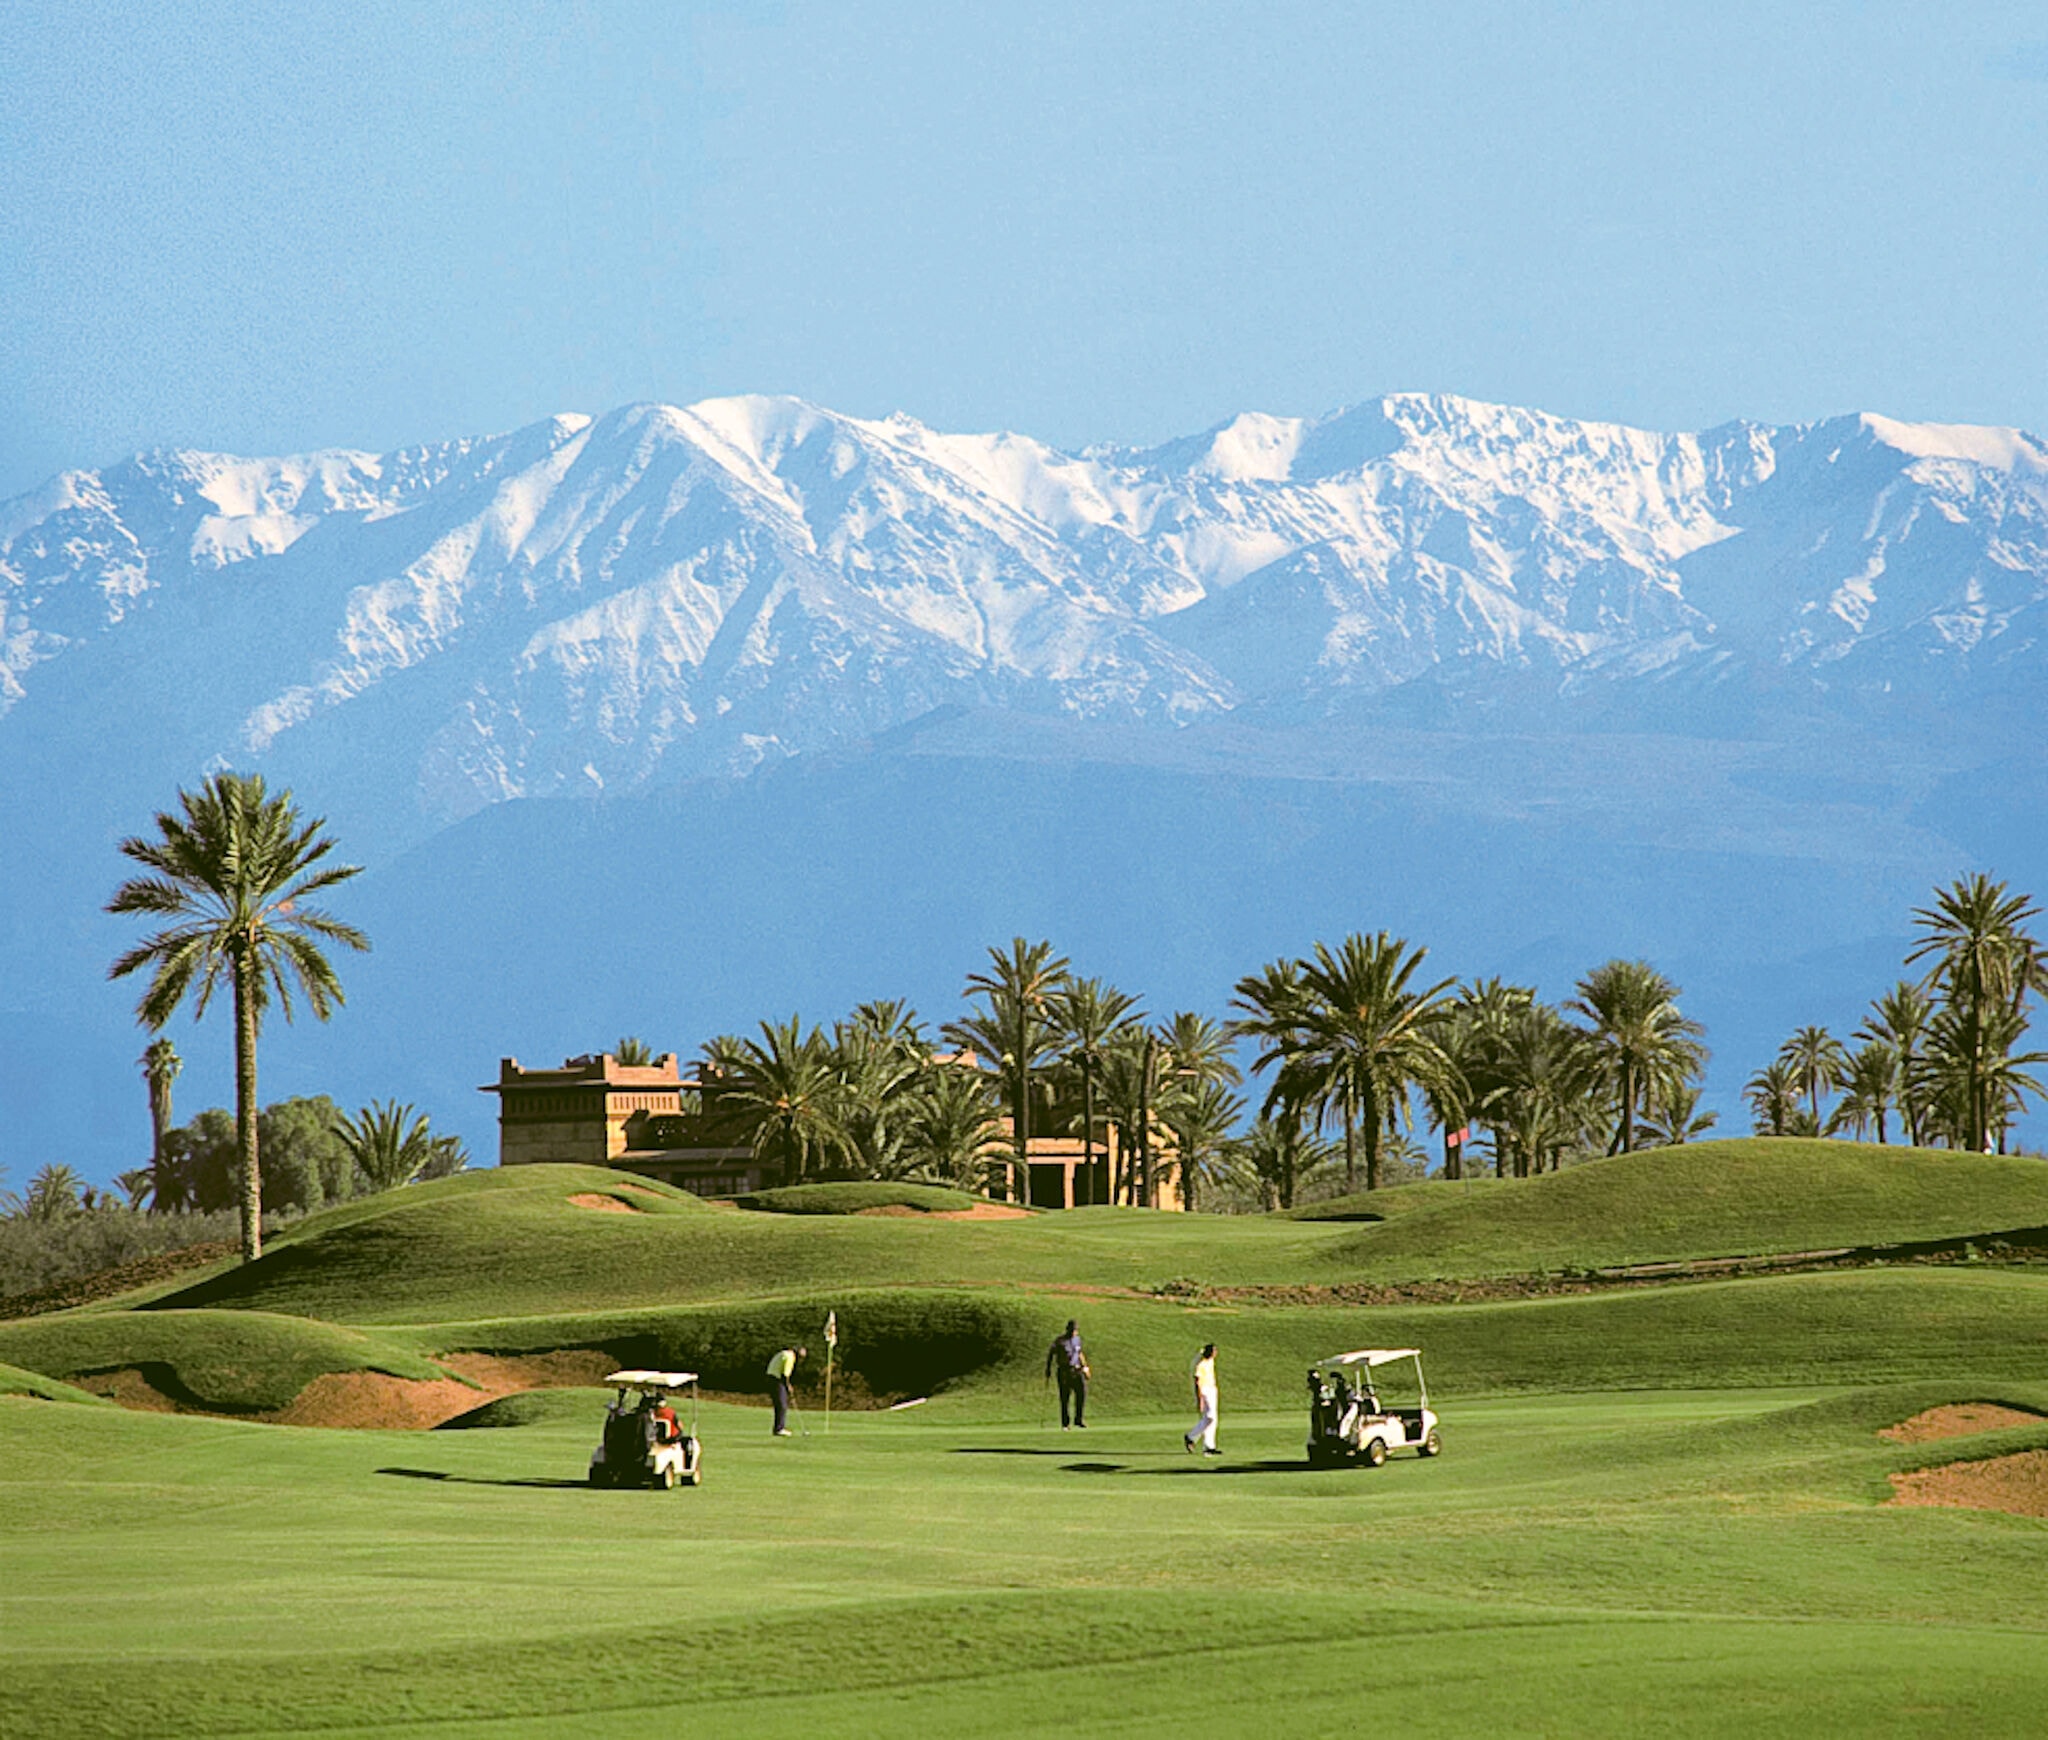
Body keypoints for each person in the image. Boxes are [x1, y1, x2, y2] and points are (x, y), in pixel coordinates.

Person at [1045, 1319, 1089, 1429]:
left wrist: (1085, 1367)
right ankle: (1065, 1423)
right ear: (1067, 1330)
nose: (1074, 1332)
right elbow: (1051, 1354)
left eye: (1075, 1330)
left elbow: (1079, 1353)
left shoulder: (1077, 1340)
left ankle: (1078, 1419)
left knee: (1082, 1394)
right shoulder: (1059, 1341)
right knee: (1065, 1398)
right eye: (1072, 1330)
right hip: (1064, 1372)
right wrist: (1048, 1369)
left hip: (1077, 1370)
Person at [1185, 1342, 1220, 1456]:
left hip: (1212, 1388)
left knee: (1212, 1419)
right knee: (1210, 1417)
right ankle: (1192, 1436)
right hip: (1204, 1390)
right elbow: (1197, 1382)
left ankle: (1209, 1446)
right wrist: (1199, 1398)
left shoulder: (1209, 1359)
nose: (1215, 1354)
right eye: (1213, 1352)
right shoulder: (1200, 1363)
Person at [765, 1344, 806, 1436]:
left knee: (780, 1404)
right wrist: (788, 1387)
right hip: (776, 1379)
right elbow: (785, 1375)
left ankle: (777, 1428)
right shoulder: (790, 1357)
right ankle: (779, 1429)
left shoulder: (785, 1353)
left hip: (771, 1377)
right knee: (782, 1404)